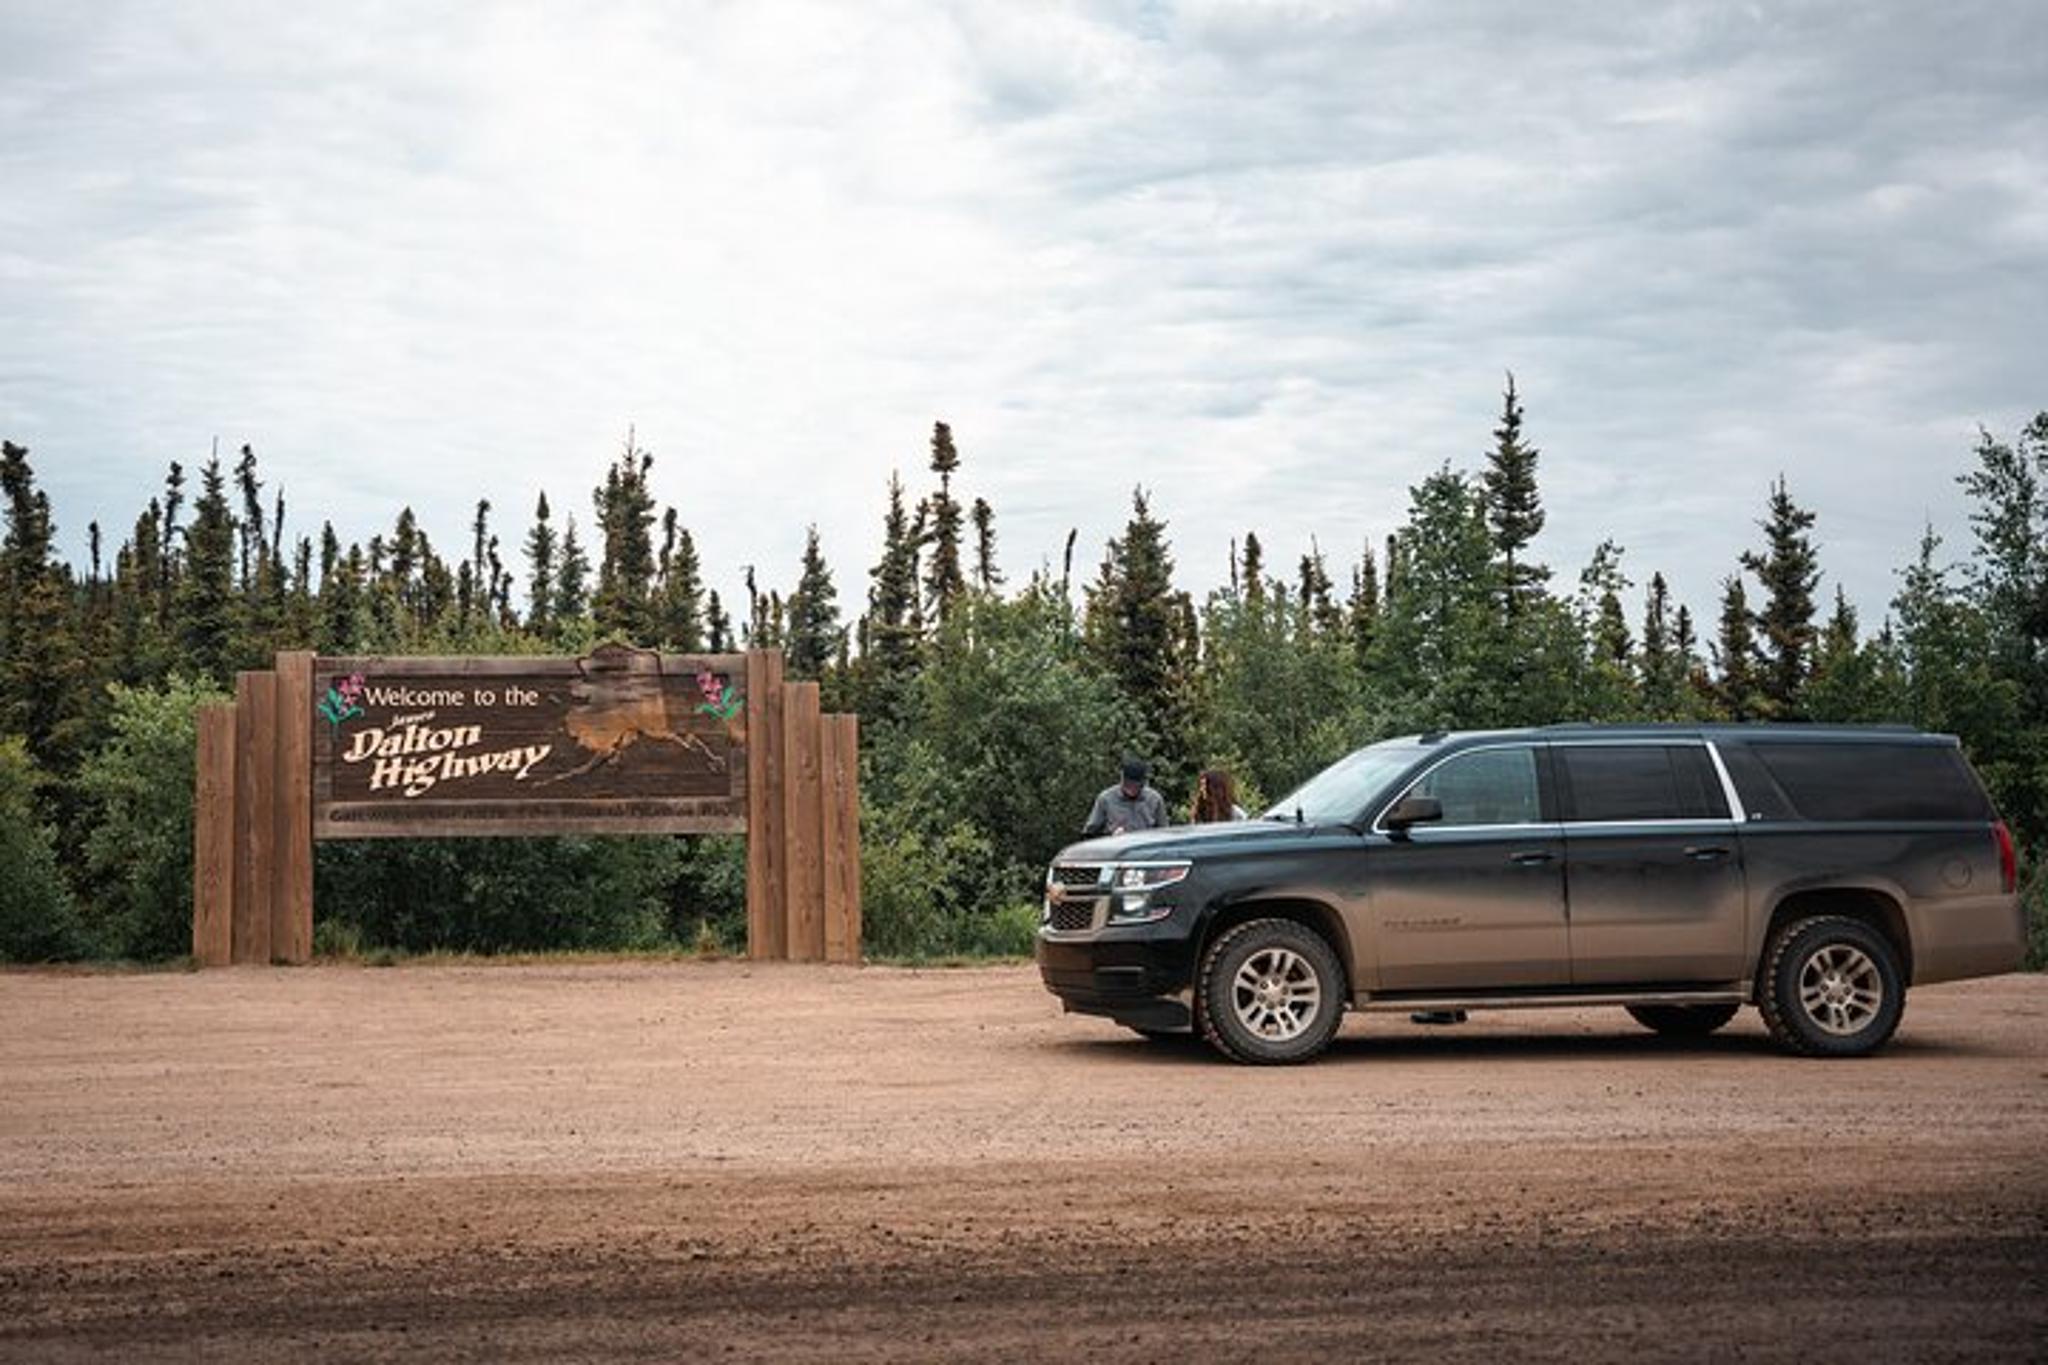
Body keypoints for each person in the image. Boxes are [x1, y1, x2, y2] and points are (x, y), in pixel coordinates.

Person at [1082, 757, 1168, 837]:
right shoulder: (1106, 799)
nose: (1131, 790)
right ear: (1122, 779)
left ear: (1143, 783)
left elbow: (1164, 835)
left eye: (1136, 786)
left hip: (1146, 850)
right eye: (1128, 785)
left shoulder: (1154, 800)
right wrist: (1110, 836)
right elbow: (1089, 835)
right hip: (1115, 849)